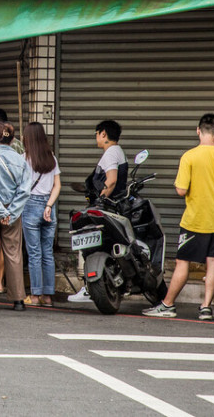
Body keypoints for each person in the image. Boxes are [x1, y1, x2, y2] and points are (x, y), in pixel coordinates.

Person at [144, 114, 214, 320]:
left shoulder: (189, 156)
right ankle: (206, 307)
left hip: (195, 219)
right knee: (213, 261)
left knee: (183, 262)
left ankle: (168, 304)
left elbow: (181, 190)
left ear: (198, 130)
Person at [69, 119, 128, 303]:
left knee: (91, 245)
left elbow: (111, 180)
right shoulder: (118, 151)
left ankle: (89, 287)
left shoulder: (110, 153)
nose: (96, 137)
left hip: (106, 207)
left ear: (103, 134)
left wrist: (101, 201)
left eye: (96, 133)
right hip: (115, 206)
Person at [0, 121, 32, 311]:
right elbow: (25, 191)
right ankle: (18, 299)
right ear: (13, 139)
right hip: (13, 211)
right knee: (13, 253)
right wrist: (11, 213)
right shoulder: (21, 160)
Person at [21, 122, 61, 307]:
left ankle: (35, 296)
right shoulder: (51, 158)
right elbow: (57, 185)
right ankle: (48, 297)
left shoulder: (24, 159)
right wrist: (48, 206)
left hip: (30, 206)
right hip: (48, 208)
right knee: (47, 253)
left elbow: (20, 187)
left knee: (34, 253)